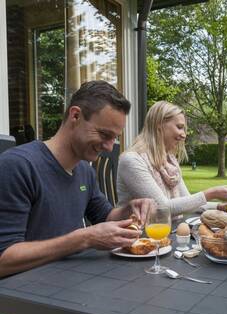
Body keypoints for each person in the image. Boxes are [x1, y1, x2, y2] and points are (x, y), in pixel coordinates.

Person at [0, 80, 155, 278]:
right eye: (104, 134)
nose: (109, 147)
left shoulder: (84, 171)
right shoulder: (18, 166)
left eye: (114, 138)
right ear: (75, 116)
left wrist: (130, 208)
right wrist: (85, 238)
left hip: (70, 282)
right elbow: (3, 259)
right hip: (24, 300)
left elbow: (105, 216)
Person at [117, 101, 227, 218]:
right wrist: (212, 193)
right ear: (159, 125)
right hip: (139, 234)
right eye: (179, 127)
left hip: (168, 231)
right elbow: (162, 207)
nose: (184, 135)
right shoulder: (132, 160)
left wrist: (220, 206)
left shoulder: (169, 162)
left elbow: (187, 202)